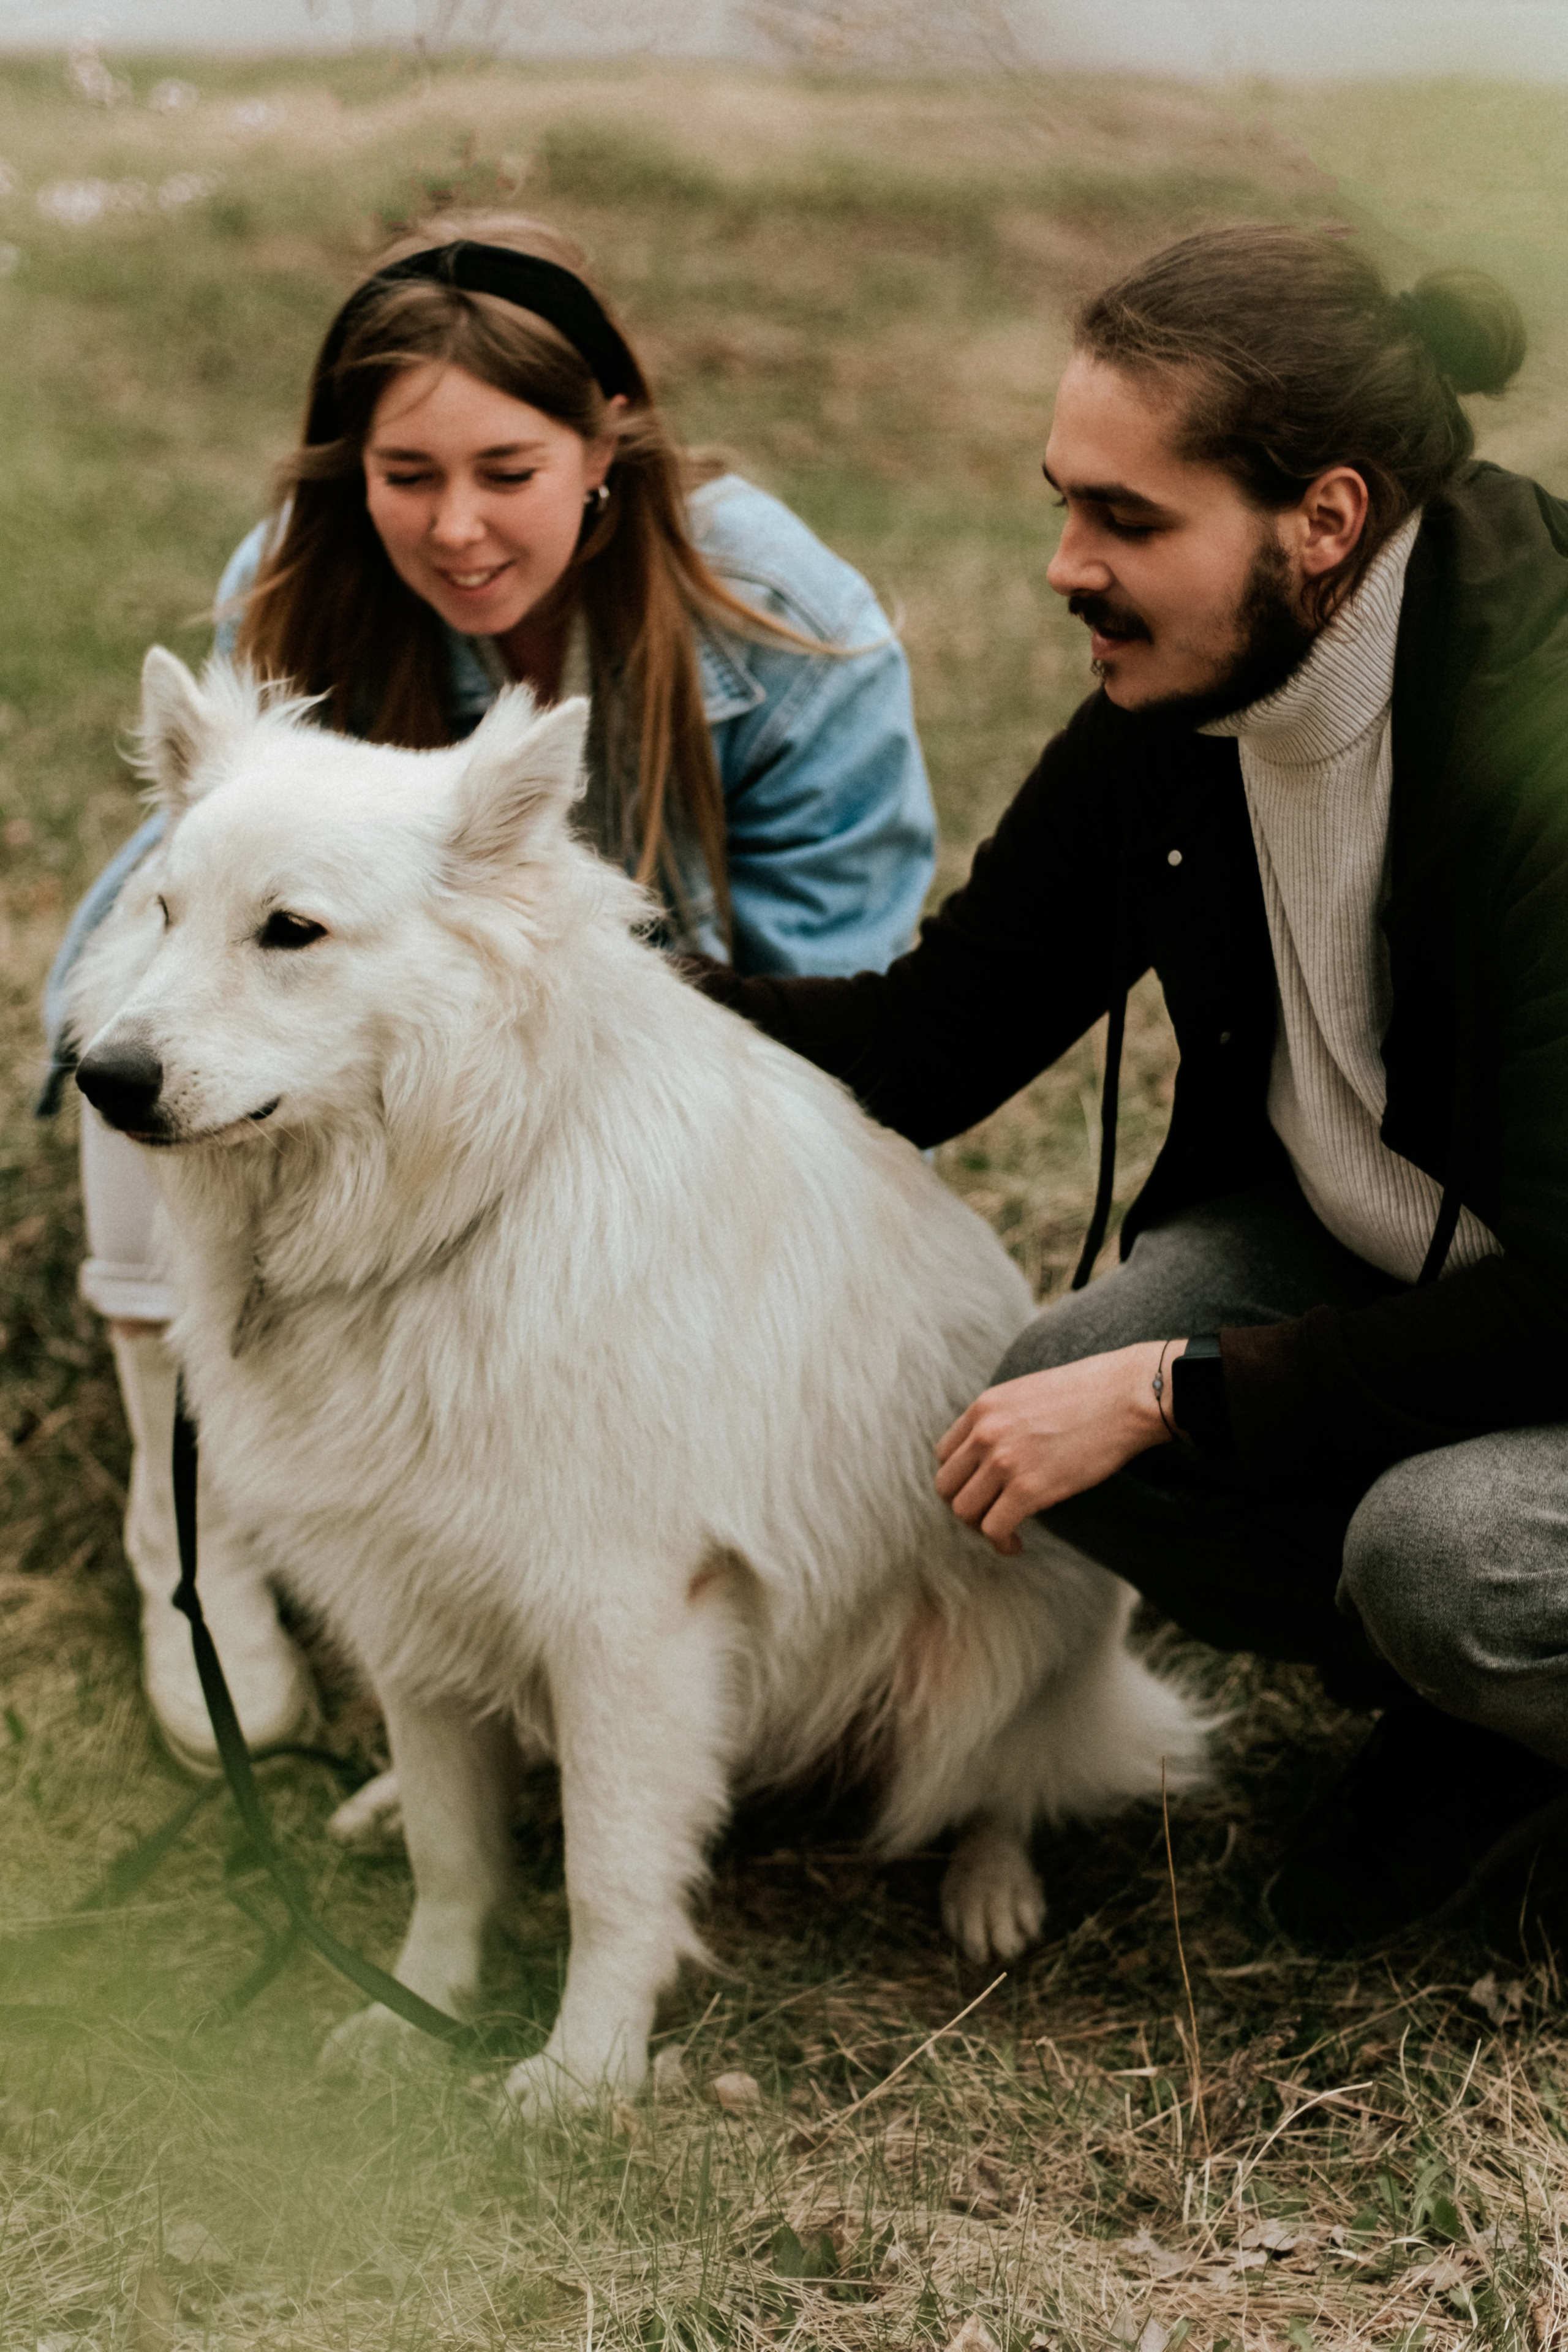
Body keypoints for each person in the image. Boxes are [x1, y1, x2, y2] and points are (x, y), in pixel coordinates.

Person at [693, 225, 1568, 1955]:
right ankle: (1476, 1719)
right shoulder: (1183, 703)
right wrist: (593, 994)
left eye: (1128, 519)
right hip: (1402, 1265)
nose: (1065, 565)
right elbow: (936, 1043)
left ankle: (1492, 1685)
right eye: (1061, 503)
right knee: (1043, 1400)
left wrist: (1186, 1390)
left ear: (1325, 520)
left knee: (1443, 1555)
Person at [42, 212, 937, 1776]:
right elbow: (209, 876)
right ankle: (193, 1536)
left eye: (505, 474)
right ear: (349, 473)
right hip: (314, 989)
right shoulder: (295, 577)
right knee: (141, 1027)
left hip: (658, 1055)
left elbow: (835, 987)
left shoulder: (788, 624)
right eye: (407, 478)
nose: (456, 530)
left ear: (606, 449)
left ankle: (530, 1546)